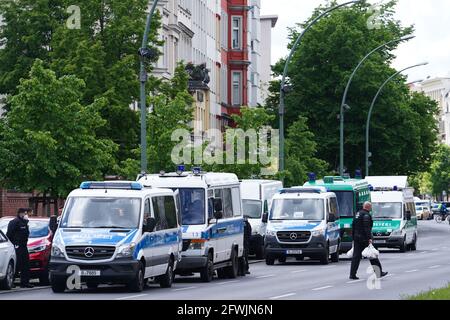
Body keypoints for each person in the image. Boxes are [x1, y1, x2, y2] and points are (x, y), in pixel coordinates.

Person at [350, 202, 388, 280]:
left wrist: (353, 237)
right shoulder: (366, 215)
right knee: (372, 255)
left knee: (356, 257)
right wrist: (369, 238)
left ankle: (352, 274)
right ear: (368, 207)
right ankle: (379, 273)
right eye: (370, 207)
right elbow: (367, 228)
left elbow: (353, 226)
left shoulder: (357, 214)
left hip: (357, 238)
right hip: (364, 239)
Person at [6, 208, 34, 288]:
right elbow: (9, 234)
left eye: (26, 213)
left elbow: (26, 233)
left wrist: (26, 222)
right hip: (17, 246)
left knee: (26, 265)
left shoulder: (24, 223)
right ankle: (12, 282)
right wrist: (14, 244)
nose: (26, 215)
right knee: (17, 264)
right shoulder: (14, 222)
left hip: (24, 246)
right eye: (24, 213)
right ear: (20, 213)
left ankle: (25, 282)